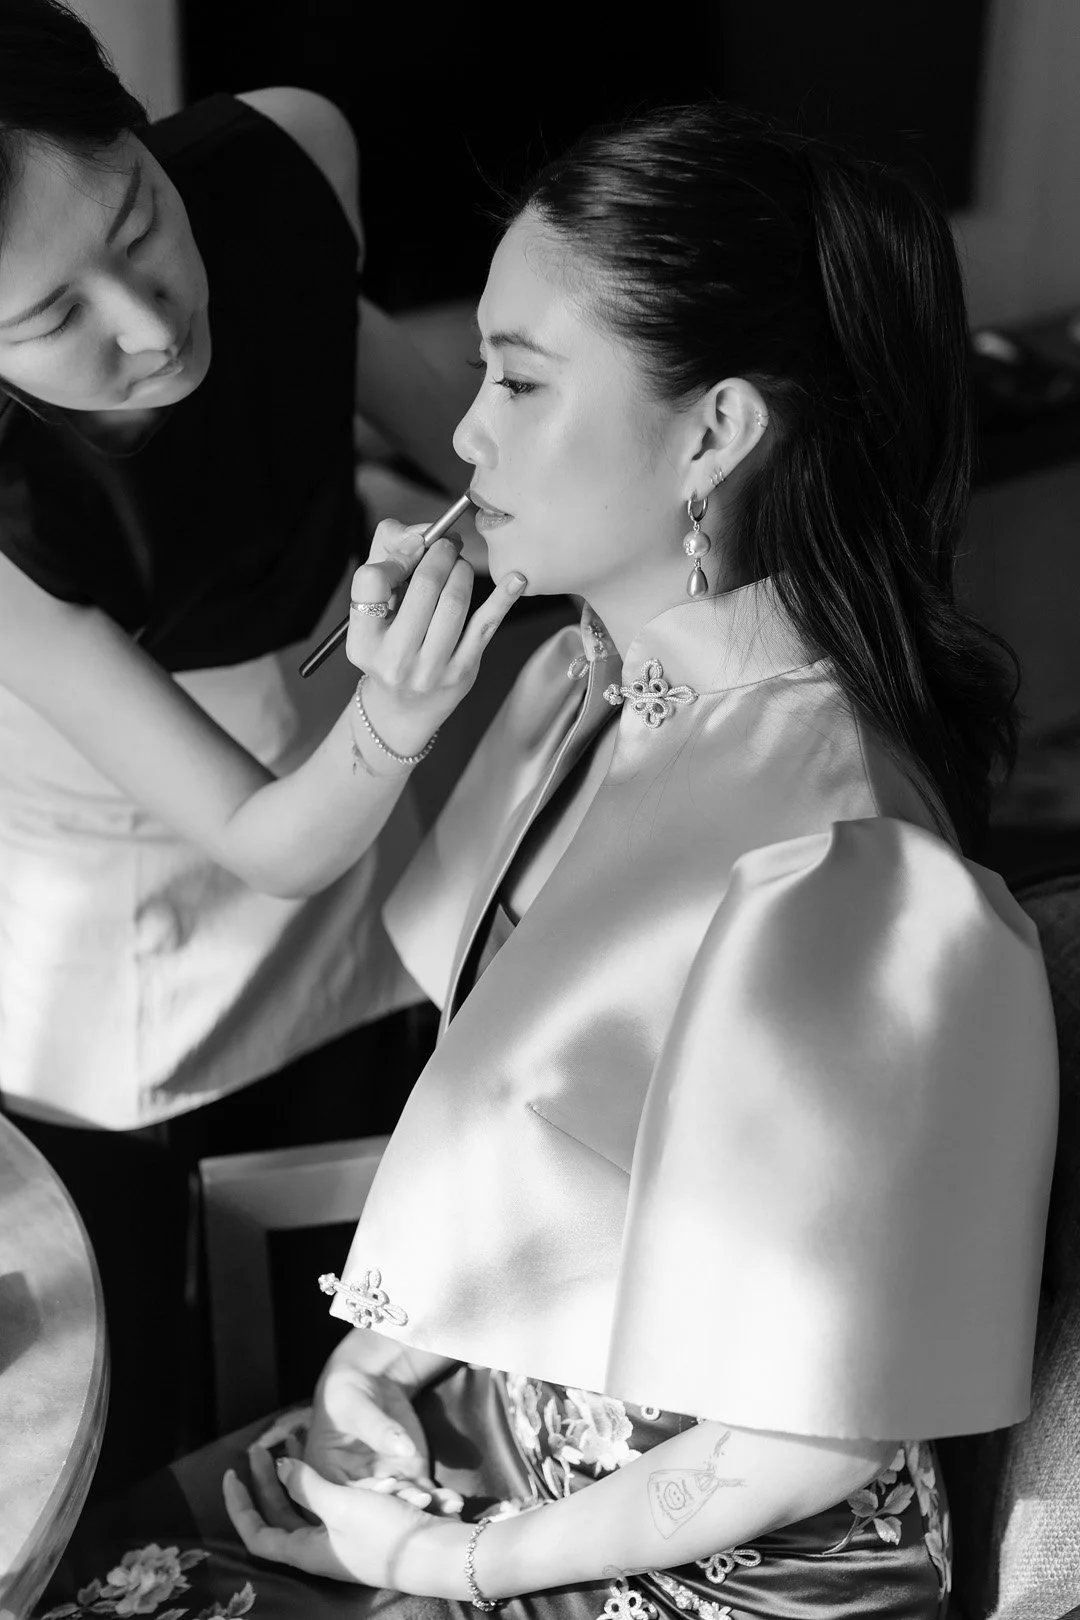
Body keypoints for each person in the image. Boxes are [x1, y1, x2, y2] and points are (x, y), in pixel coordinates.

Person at [42, 101, 1058, 1619]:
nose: (462, 435)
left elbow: (809, 1444)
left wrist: (447, 1562)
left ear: (713, 434)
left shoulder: (841, 871)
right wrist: (383, 1355)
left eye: (517, 380)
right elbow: (525, 1147)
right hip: (510, 1429)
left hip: (721, 1564)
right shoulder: (577, 687)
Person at [0, 0, 533, 1485]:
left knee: (345, 1234)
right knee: (131, 1345)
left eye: (139, 221)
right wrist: (397, 715)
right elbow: (259, 839)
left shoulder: (291, 153)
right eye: (49, 322)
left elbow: (392, 390)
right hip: (127, 857)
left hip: (336, 753)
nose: (150, 321)